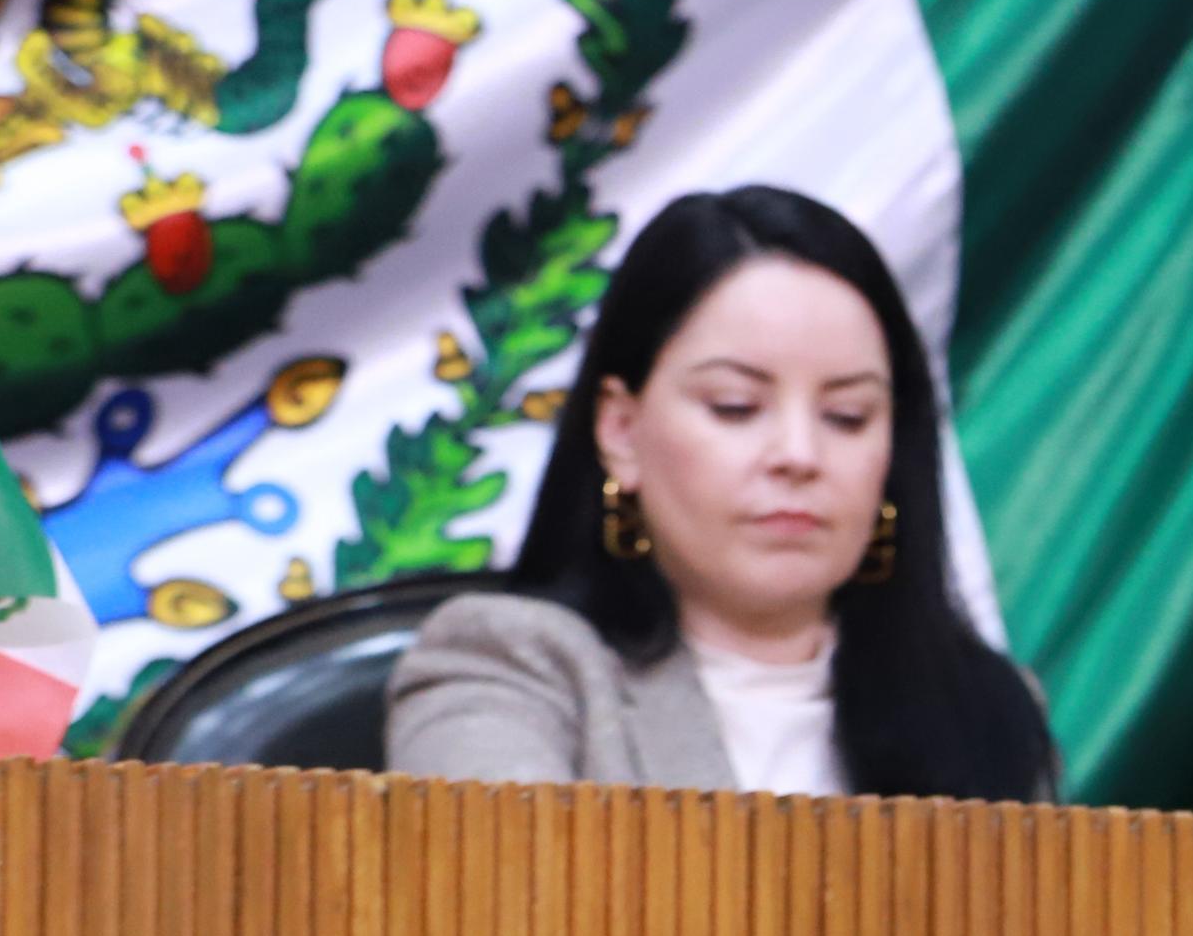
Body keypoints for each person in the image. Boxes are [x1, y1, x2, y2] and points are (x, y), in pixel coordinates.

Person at [383, 186, 1056, 801]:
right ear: (621, 429)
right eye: (736, 406)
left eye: (847, 416)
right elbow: (504, 917)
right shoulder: (508, 668)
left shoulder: (988, 709)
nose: (799, 455)